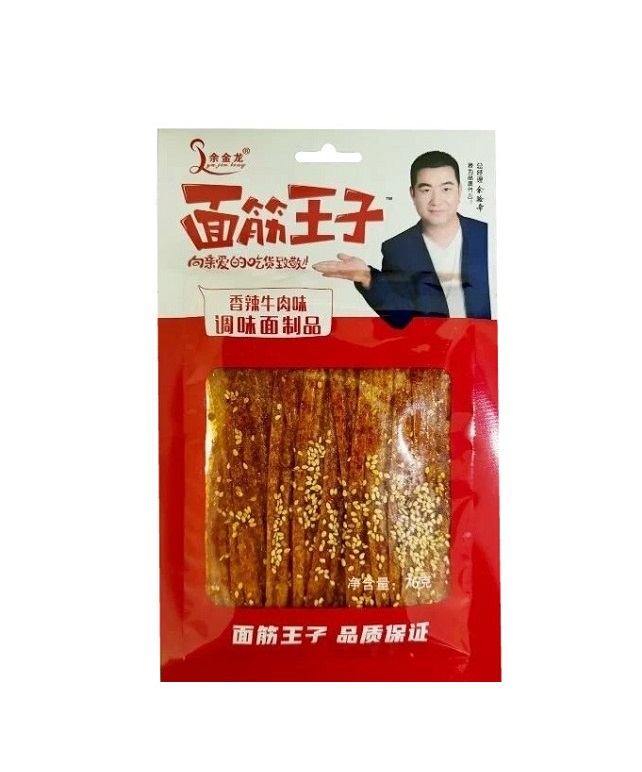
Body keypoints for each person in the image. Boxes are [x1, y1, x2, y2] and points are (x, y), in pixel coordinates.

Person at [313, 150, 491, 328]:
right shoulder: (397, 250)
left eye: (446, 189)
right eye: (426, 190)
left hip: (485, 341)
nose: (436, 201)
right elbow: (400, 318)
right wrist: (366, 277)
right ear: (413, 194)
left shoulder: (486, 235)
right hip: (431, 345)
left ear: (459, 191)